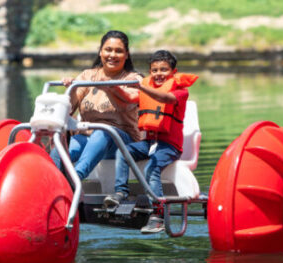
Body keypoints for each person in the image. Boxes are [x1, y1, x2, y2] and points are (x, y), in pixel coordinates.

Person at [102, 50, 198, 234]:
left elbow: (164, 98)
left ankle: (158, 215)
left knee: (151, 168)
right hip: (149, 143)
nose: (158, 74)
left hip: (170, 147)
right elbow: (129, 98)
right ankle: (120, 193)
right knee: (123, 151)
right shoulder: (148, 87)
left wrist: (140, 87)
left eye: (164, 70)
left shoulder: (180, 92)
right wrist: (111, 87)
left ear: (173, 71)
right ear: (150, 71)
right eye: (154, 70)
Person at [50, 30, 143, 181]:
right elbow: (70, 107)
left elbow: (129, 99)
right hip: (88, 137)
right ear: (100, 52)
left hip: (122, 141)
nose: (112, 55)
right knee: (63, 147)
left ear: (126, 55)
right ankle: (48, 182)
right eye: (108, 49)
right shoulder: (88, 76)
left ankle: (74, 180)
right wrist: (71, 87)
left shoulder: (133, 79)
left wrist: (111, 86)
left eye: (118, 51)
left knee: (103, 132)